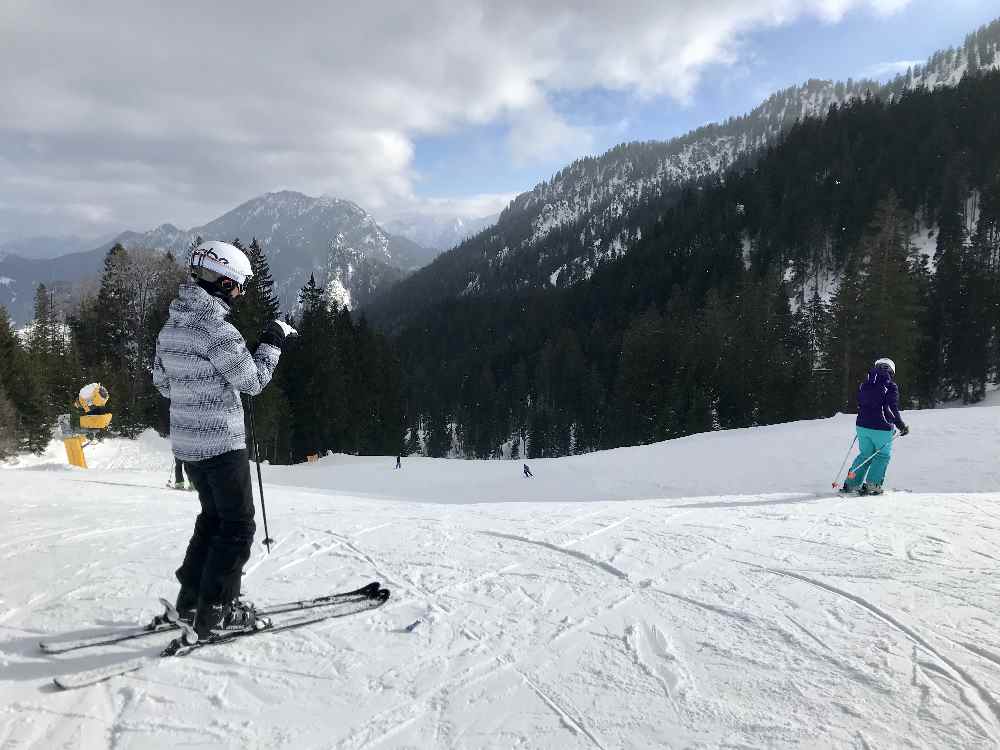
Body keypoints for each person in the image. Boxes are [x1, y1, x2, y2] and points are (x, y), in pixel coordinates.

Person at [152, 241, 296, 645]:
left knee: (212, 520)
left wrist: (213, 373)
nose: (241, 293)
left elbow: (163, 382)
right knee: (236, 526)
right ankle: (218, 610)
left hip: (189, 448)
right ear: (221, 283)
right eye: (237, 286)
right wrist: (272, 343)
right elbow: (252, 381)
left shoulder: (172, 326)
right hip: (221, 446)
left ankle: (190, 601)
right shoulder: (216, 328)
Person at [839, 357, 909, 496]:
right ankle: (873, 484)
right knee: (882, 456)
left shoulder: (864, 384)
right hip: (881, 428)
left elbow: (860, 403)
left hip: (862, 426)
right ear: (891, 371)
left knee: (865, 455)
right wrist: (901, 425)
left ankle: (851, 483)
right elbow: (890, 408)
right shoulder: (890, 386)